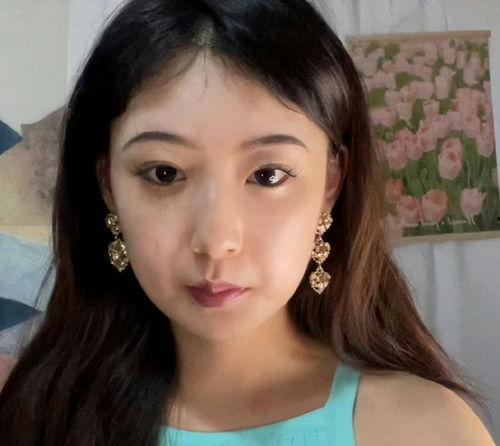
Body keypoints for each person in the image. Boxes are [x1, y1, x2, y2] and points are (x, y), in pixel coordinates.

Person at [0, 0, 496, 445]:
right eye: (164, 173)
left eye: (268, 175)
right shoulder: (36, 416)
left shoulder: (424, 429)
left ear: (331, 183)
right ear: (108, 186)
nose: (216, 241)